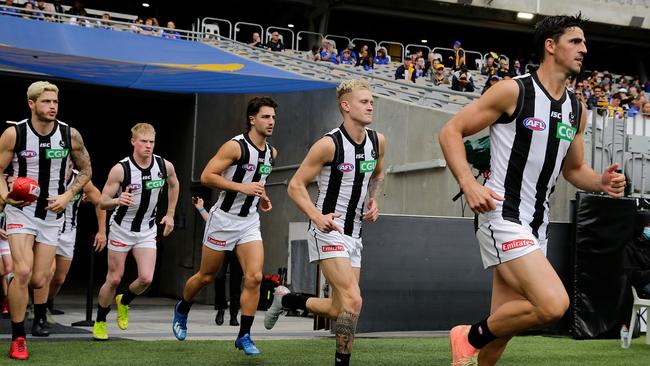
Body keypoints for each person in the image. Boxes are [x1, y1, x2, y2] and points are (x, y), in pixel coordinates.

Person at [439, 14, 626, 366]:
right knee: (553, 304)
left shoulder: (576, 109)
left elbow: (575, 170)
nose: (584, 49)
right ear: (550, 46)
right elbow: (451, 131)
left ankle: (474, 344)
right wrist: (468, 184)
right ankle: (467, 335)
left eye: (585, 43)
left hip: (537, 225)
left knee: (500, 332)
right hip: (501, 214)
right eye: (575, 41)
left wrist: (600, 182)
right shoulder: (514, 90)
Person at [265, 79, 386, 366]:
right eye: (363, 101)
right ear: (345, 106)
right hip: (327, 230)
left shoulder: (378, 141)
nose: (370, 105)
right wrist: (317, 217)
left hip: (355, 233)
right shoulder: (328, 144)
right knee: (353, 301)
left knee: (339, 308)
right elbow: (294, 185)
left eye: (371, 101)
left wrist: (374, 199)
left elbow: (378, 174)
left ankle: (286, 299)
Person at [172, 97, 278, 356]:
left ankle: (244, 335)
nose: (271, 121)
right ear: (252, 119)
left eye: (273, 117)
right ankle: (183, 308)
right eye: (266, 117)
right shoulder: (235, 146)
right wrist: (242, 187)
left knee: (253, 277)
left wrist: (262, 198)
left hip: (249, 222)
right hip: (222, 220)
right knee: (206, 276)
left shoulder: (272, 153)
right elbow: (207, 176)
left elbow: (256, 182)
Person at [0, 81, 92, 360]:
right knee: (24, 271)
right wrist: (5, 196)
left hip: (53, 213)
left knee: (40, 279)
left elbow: (86, 170)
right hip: (21, 211)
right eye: (46, 102)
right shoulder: (13, 134)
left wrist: (68, 195)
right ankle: (18, 338)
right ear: (31, 103)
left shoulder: (69, 134)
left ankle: (19, 292)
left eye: (55, 102)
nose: (52, 106)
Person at [92, 122, 179, 341]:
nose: (148, 146)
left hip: (147, 230)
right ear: (133, 142)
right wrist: (117, 200)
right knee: (113, 279)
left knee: (146, 278)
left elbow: (174, 184)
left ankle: (125, 300)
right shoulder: (121, 169)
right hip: (121, 229)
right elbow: (101, 202)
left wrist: (170, 213)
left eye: (151, 142)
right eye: (143, 141)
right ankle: (101, 320)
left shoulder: (164, 165)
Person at [40, 163, 107, 322]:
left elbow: (100, 202)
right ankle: (38, 309)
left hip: (68, 232)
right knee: (47, 272)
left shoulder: (81, 179)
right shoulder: (45, 173)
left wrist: (102, 231)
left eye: (70, 163)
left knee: (59, 279)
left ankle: (47, 303)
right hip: (46, 228)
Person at [192, 196, 242, 326]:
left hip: (238, 248)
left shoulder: (245, 209)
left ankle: (234, 315)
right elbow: (211, 222)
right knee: (219, 277)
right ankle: (221, 309)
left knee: (236, 281)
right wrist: (201, 208)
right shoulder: (222, 206)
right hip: (223, 247)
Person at [624, 211, 650, 299]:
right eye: (648, 225)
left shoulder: (647, 245)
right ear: (640, 226)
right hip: (641, 285)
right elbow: (633, 276)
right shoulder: (628, 247)